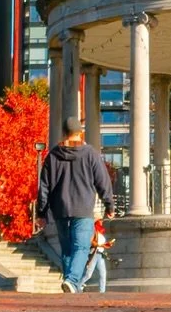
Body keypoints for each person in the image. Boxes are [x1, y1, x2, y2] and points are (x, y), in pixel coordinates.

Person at [36, 115, 114, 293]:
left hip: (60, 209)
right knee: (81, 246)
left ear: (64, 132)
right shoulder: (90, 154)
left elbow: (44, 188)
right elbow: (103, 181)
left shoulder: (53, 156)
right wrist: (109, 205)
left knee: (67, 248)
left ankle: (72, 285)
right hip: (83, 208)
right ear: (80, 132)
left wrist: (42, 213)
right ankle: (71, 280)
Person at [80, 207, 111, 294]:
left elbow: (100, 243)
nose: (101, 222)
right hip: (94, 253)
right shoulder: (93, 230)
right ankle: (78, 285)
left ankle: (102, 291)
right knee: (88, 274)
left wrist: (106, 245)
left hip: (100, 254)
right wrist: (99, 245)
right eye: (100, 220)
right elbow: (91, 242)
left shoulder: (100, 232)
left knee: (103, 274)